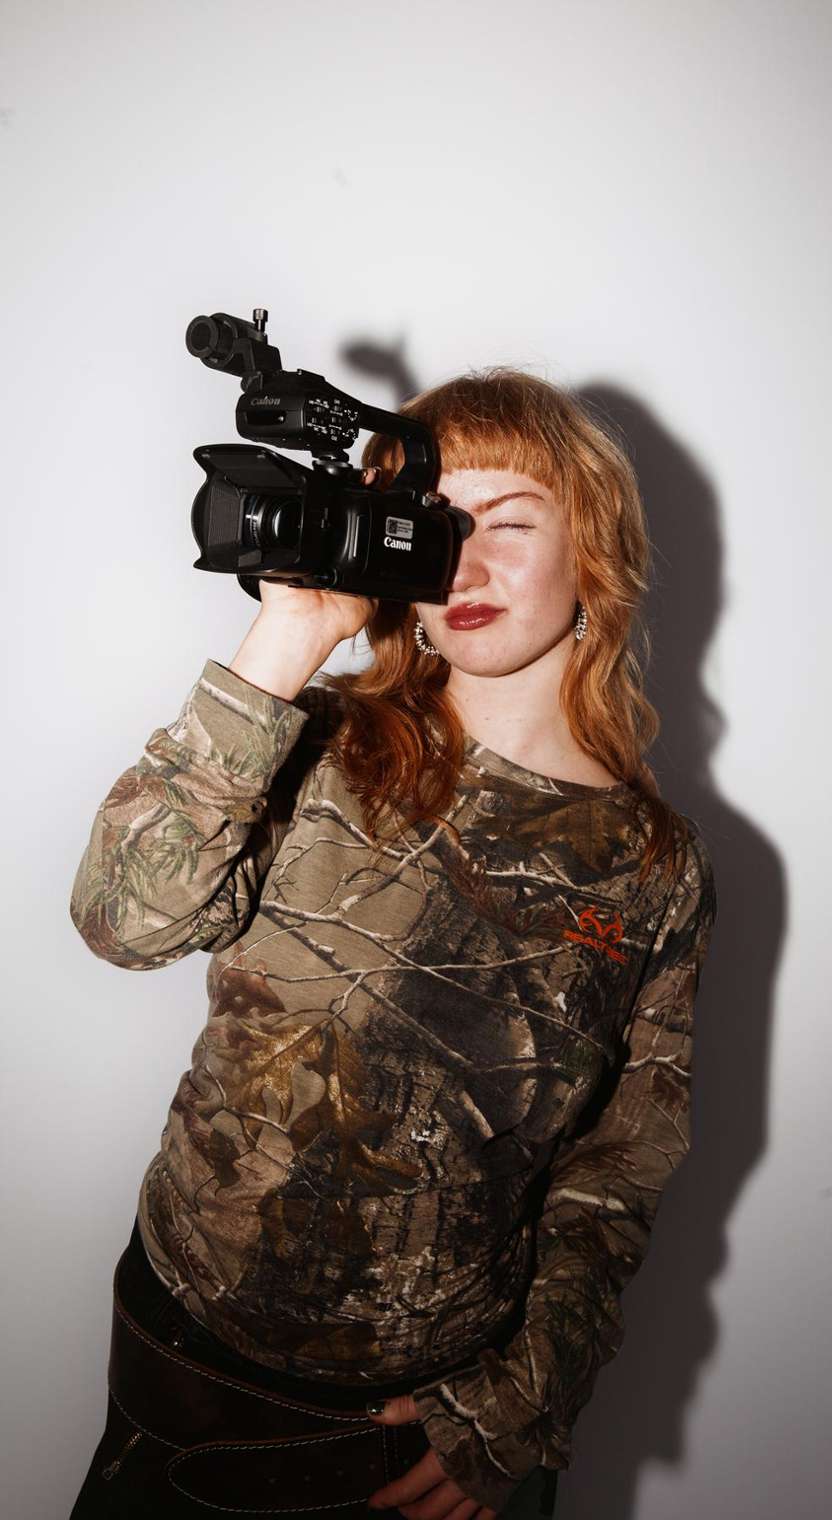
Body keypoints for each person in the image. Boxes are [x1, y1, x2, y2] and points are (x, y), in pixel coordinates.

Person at [67, 367, 718, 1519]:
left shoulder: (652, 866)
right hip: (191, 1377)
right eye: (431, 526)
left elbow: (619, 1168)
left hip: (435, 1439)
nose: (461, 565)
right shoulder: (313, 743)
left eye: (507, 524)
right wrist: (289, 634)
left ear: (594, 550)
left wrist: (519, 1400)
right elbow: (123, 919)